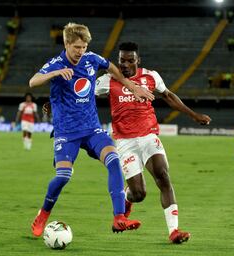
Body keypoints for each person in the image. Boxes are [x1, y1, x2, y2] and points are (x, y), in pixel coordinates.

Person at [28, 23, 154, 237]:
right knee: (63, 176)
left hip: (92, 129)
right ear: (67, 44)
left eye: (84, 47)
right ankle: (43, 215)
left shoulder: (91, 59)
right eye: (77, 47)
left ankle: (119, 218)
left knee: (114, 161)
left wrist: (131, 85)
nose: (81, 51)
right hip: (67, 133)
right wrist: (56, 73)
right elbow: (33, 82)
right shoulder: (56, 63)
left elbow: (110, 67)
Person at [95, 42, 211, 243]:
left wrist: (193, 115)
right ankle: (127, 199)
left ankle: (173, 231)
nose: (125, 64)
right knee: (139, 194)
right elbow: (83, 95)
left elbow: (168, 96)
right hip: (125, 141)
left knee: (163, 176)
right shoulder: (107, 80)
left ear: (137, 61)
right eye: (122, 60)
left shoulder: (151, 76)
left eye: (130, 60)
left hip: (149, 136)